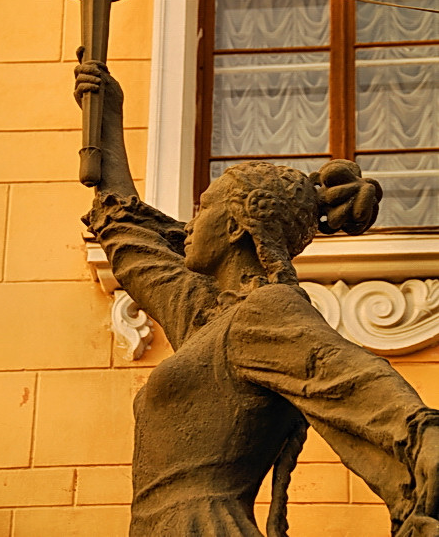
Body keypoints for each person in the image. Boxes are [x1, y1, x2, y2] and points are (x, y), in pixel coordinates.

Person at [75, 54, 439, 537]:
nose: (188, 224)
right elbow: (128, 236)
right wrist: (107, 119)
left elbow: (354, 380)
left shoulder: (266, 313)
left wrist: (424, 435)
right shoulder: (207, 321)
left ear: (233, 228)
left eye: (202, 208)